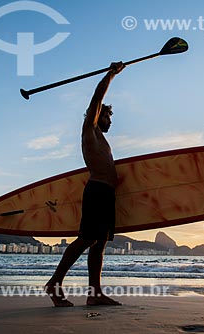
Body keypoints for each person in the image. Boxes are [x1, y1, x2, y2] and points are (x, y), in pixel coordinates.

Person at [45, 61, 125, 307]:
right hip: (97, 190)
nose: (111, 122)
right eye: (108, 117)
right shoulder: (89, 130)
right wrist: (111, 74)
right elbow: (96, 100)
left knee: (99, 244)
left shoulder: (102, 139)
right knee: (87, 239)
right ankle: (54, 283)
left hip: (107, 193)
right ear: (99, 116)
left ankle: (95, 293)